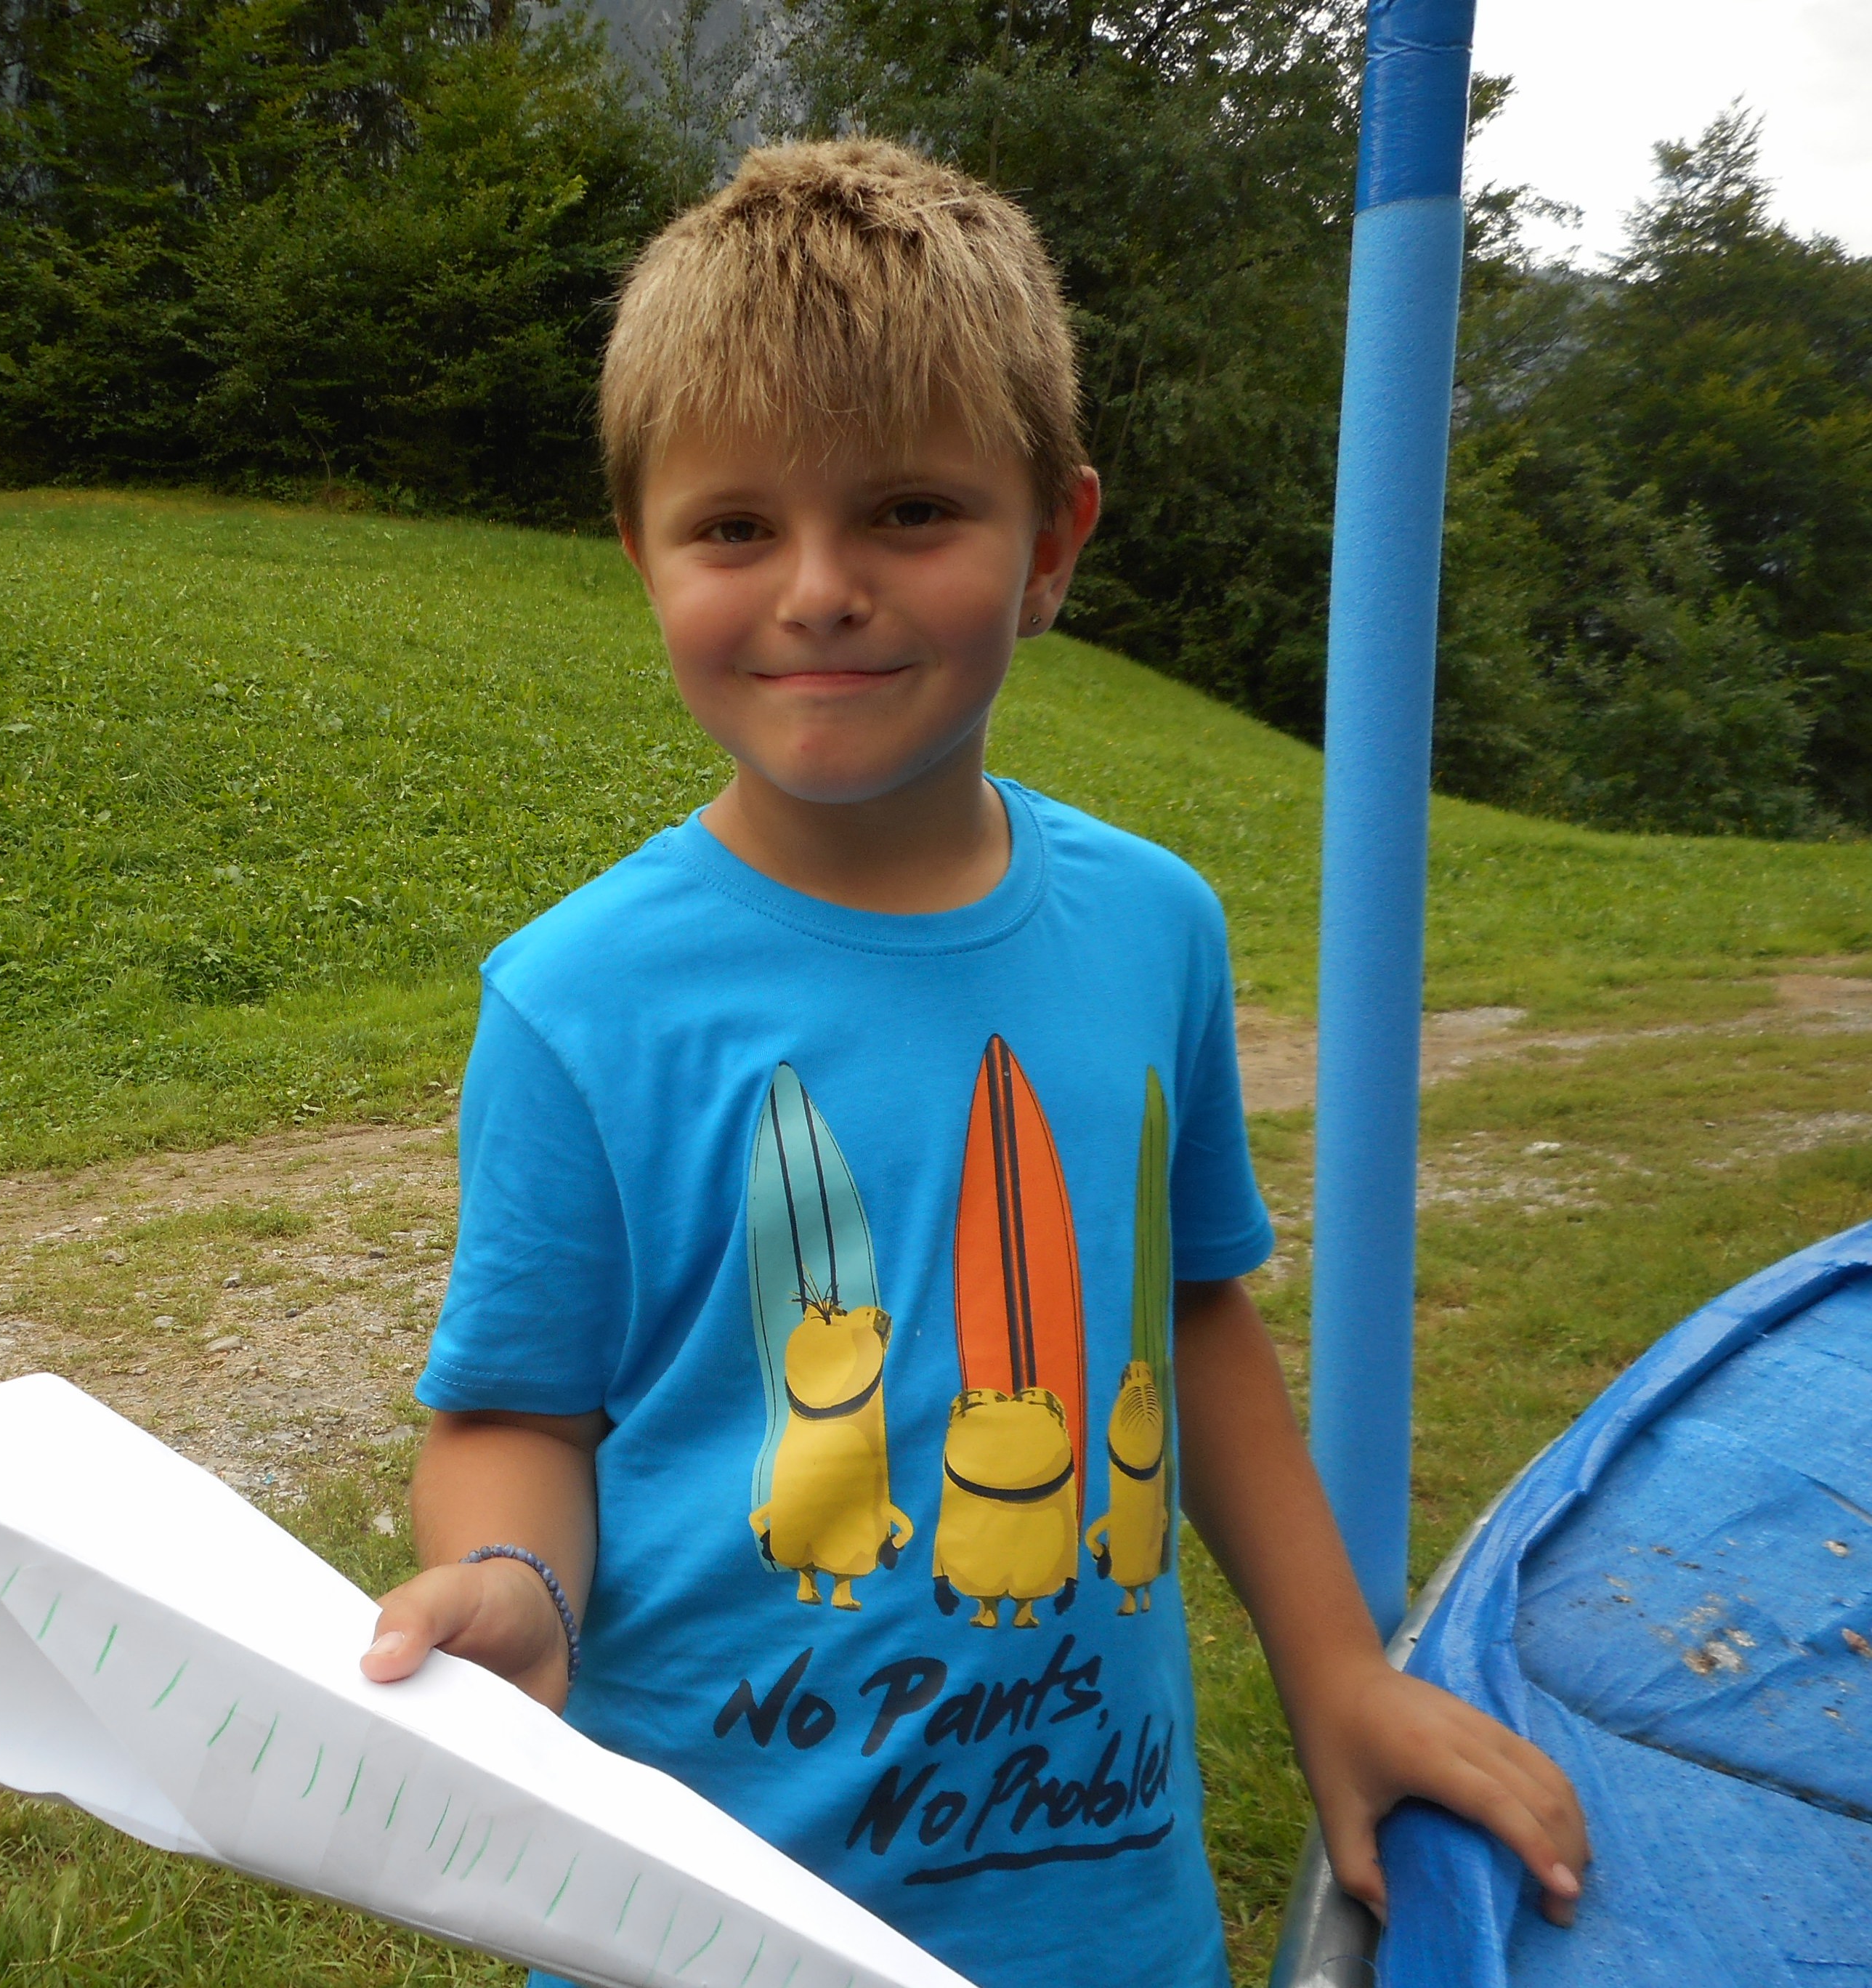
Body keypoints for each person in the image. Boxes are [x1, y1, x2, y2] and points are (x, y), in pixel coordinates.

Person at [357, 137, 1587, 1987]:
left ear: (1053, 545)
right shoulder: (576, 1000)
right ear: (641, 556)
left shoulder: (1154, 926)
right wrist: (519, 1584)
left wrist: (1339, 1675)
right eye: (734, 528)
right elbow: (517, 1412)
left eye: (911, 511)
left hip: (1111, 1927)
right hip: (695, 1932)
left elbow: (1192, 1314)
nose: (820, 589)